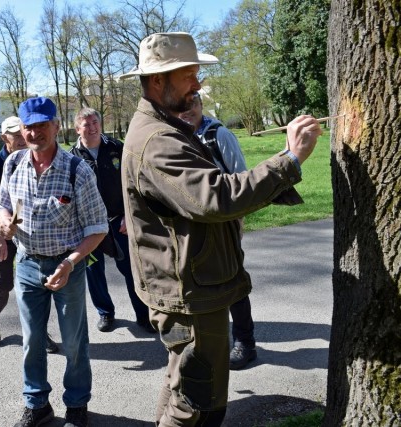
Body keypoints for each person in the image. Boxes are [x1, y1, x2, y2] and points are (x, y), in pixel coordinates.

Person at [118, 32, 322, 426]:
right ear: (158, 81)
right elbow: (216, 197)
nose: (198, 84)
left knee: (183, 386)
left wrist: (284, 160)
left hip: (190, 287)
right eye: (190, 74)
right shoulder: (158, 140)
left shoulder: (164, 127)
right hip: (189, 296)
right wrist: (290, 160)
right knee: (198, 403)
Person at [0, 97, 108, 427]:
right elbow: (0, 204)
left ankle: (76, 406)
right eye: (29, 127)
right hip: (27, 264)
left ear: (56, 126)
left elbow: (98, 228)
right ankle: (37, 405)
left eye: (42, 125)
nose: (34, 132)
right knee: (31, 342)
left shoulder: (77, 170)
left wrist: (71, 262)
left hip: (66, 268)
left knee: (73, 342)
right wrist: (4, 221)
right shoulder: (13, 164)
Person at [179, 94, 257, 370]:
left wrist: (238, 221)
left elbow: (241, 177)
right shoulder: (176, 136)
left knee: (232, 280)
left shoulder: (217, 135)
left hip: (225, 220)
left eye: (193, 105)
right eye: (183, 106)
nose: (187, 111)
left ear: (201, 105)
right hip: (195, 223)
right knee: (202, 281)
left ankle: (245, 343)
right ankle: (210, 343)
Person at [0, 116, 58, 353]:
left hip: (30, 235)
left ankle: (39, 333)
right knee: (2, 285)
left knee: (39, 286)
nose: (22, 138)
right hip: (2, 235)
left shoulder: (34, 159)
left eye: (22, 132)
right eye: (14, 134)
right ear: (5, 138)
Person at [69, 107, 154, 333]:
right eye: (86, 124)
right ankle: (105, 313)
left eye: (95, 121)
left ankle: (143, 315)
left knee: (130, 269)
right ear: (77, 129)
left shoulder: (117, 147)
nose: (93, 127)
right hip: (88, 228)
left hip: (120, 222)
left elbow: (133, 183)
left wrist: (129, 214)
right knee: (94, 272)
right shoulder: (71, 158)